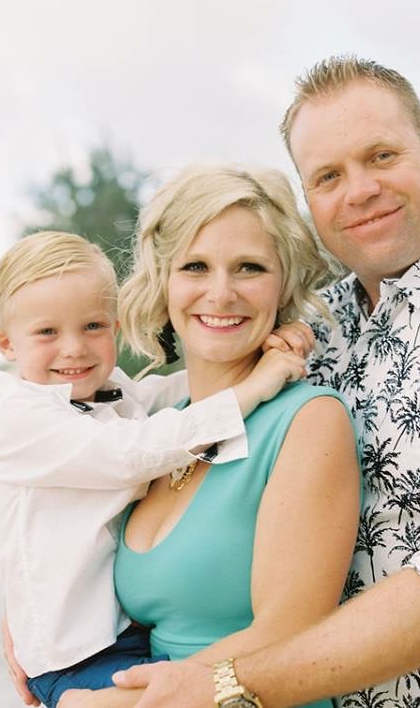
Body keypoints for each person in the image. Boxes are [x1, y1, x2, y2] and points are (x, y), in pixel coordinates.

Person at [112, 56, 420, 707]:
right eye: (328, 176)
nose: (360, 190)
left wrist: (226, 683)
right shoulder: (325, 325)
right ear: (310, 197)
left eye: (381, 156)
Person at [35, 163, 362, 708]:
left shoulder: (307, 421)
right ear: (163, 283)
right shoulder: (157, 431)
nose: (221, 292)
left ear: (282, 286)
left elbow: (287, 637)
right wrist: (31, 628)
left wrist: (92, 703)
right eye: (195, 266)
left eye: (249, 268)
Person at [0, 231, 313, 708]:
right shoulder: (21, 423)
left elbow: (178, 395)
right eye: (48, 333)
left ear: (115, 327)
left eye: (93, 326)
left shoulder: (105, 390)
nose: (74, 348)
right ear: (6, 344)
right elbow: (136, 451)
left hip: (124, 635)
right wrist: (258, 386)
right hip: (74, 657)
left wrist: (254, 355)